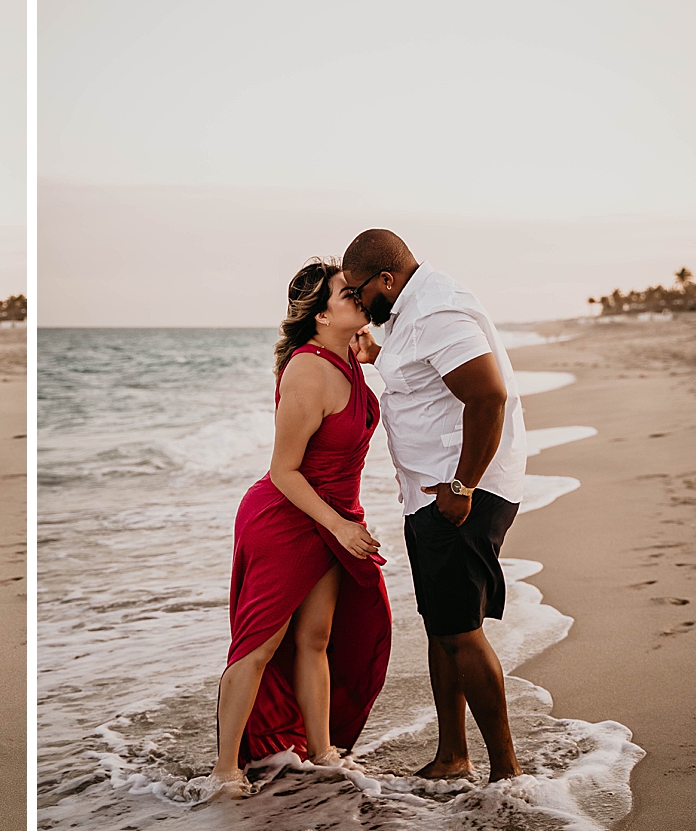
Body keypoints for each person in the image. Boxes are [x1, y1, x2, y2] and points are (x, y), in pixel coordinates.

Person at [343, 229, 526, 783]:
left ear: (387, 279)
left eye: (357, 291)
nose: (353, 302)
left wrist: (463, 485)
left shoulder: (437, 312)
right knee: (440, 625)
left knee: (461, 629)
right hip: (430, 492)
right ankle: (452, 756)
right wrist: (378, 357)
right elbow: (422, 378)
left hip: (464, 493)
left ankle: (507, 772)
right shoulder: (407, 313)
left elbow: (488, 396)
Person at [207, 259, 392, 793]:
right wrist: (339, 526)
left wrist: (375, 358)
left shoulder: (352, 359)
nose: (358, 298)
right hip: (287, 519)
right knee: (258, 646)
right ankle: (225, 771)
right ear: (318, 313)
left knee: (316, 639)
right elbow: (282, 472)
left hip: (333, 518)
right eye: (345, 293)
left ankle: (323, 750)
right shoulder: (309, 371)